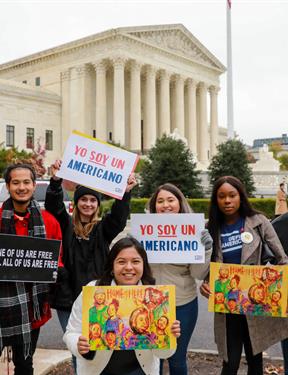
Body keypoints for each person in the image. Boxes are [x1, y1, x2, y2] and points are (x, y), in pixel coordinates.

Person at [200, 175, 288, 375]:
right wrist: (205, 283)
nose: (227, 201)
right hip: (227, 306)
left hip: (256, 303)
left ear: (241, 196)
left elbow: (282, 259)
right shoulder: (209, 228)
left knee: (255, 361)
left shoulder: (258, 221)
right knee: (229, 364)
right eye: (221, 196)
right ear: (216, 200)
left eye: (232, 195)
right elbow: (205, 267)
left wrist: (281, 288)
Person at [63, 236, 181, 375]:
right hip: (98, 370)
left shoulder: (155, 297)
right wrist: (78, 344)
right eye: (121, 262)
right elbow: (71, 333)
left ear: (144, 265)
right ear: (112, 266)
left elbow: (164, 354)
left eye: (136, 261)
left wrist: (169, 336)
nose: (129, 267)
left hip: (141, 371)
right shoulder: (94, 291)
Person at [0, 163, 62, 375]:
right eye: (15, 182)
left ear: (34, 185)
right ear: (8, 186)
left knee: (25, 365)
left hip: (32, 308)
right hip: (1, 303)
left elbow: (57, 259)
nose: (21, 187)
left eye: (26, 182)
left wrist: (55, 270)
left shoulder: (49, 222)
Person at [148, 183, 213, 375]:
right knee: (152, 357)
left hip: (182, 303)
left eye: (170, 200)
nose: (165, 205)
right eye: (160, 201)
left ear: (180, 203)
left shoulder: (193, 230)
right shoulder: (143, 230)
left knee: (177, 357)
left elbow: (198, 274)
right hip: (149, 302)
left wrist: (206, 249)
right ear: (154, 206)